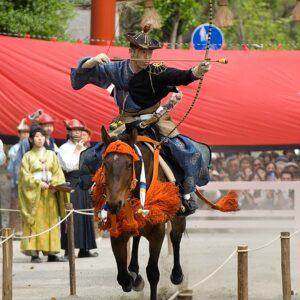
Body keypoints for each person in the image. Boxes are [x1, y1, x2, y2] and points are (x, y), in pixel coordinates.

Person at [70, 25, 211, 216]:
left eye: (149, 54)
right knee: (98, 154)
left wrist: (195, 72)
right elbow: (79, 79)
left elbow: (177, 76)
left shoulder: (155, 71)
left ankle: (186, 196)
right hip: (124, 121)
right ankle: (101, 194)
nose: (146, 58)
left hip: (155, 120)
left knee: (186, 151)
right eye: (142, 53)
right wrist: (91, 62)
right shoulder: (116, 69)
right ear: (131, 51)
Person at [18, 125, 69, 263]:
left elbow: (58, 173)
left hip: (50, 194)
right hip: (35, 195)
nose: (40, 139)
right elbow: (24, 177)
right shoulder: (27, 157)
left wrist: (55, 184)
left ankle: (51, 252)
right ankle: (34, 252)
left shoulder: (51, 155)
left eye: (42, 136)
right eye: (36, 136)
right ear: (31, 139)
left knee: (51, 221)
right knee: (35, 222)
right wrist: (38, 183)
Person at [57, 119, 98, 258]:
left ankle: (85, 248)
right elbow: (68, 166)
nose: (77, 133)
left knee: (84, 214)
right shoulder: (63, 148)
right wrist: (77, 151)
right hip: (71, 182)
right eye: (74, 130)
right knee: (71, 215)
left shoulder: (85, 147)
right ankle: (69, 250)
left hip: (84, 181)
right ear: (68, 132)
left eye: (79, 130)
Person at [13, 111, 58, 186]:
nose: (49, 128)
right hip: (32, 182)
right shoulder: (27, 142)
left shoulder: (52, 141)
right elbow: (19, 162)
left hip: (49, 182)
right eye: (46, 126)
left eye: (50, 125)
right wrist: (19, 182)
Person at [7, 118, 30, 233]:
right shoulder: (14, 148)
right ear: (18, 134)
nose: (25, 135)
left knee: (27, 205)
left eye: (27, 132)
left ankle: (25, 229)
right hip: (16, 180)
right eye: (22, 132)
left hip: (28, 181)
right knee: (15, 205)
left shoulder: (30, 147)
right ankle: (14, 230)